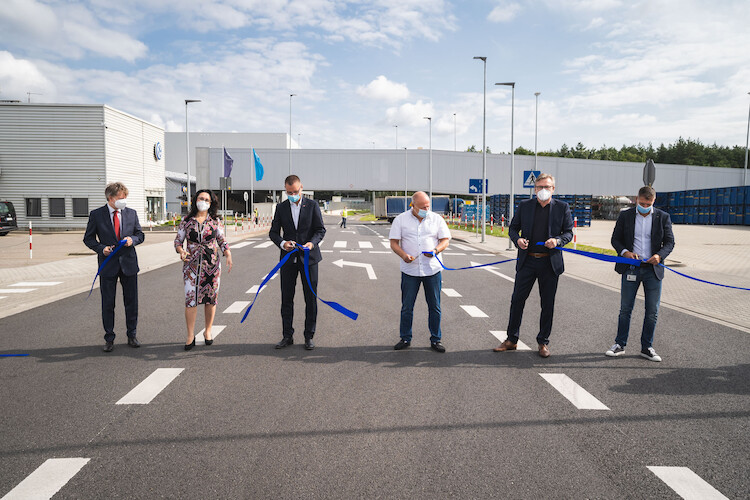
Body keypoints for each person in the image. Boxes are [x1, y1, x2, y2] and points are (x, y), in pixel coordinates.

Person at [493, 174, 573, 358]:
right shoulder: (525, 206)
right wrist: (518, 239)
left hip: (549, 262)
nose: (543, 190)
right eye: (539, 187)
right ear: (534, 189)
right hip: (527, 261)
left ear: (553, 188)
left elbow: (569, 232)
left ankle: (543, 342)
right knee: (517, 300)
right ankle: (511, 339)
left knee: (547, 304)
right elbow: (513, 228)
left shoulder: (562, 207)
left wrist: (558, 240)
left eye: (547, 186)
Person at [606, 186, 675, 362]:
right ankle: (619, 344)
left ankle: (647, 347)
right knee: (625, 309)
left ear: (654, 201)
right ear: (637, 199)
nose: (644, 206)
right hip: (631, 267)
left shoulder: (662, 217)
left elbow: (670, 242)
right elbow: (615, 239)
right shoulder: (625, 215)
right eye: (642, 203)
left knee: (652, 311)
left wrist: (659, 255)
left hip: (652, 270)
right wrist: (625, 253)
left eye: (648, 204)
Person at [84, 182, 145, 352]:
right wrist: (101, 249)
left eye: (125, 197)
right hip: (107, 264)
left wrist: (133, 240)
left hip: (129, 264)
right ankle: (109, 337)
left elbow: (140, 234)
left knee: (131, 302)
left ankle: (132, 334)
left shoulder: (131, 213)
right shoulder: (96, 215)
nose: (124, 200)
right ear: (111, 198)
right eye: (121, 198)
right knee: (108, 303)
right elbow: (88, 239)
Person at [269, 175, 326, 350]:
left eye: (295, 191)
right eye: (289, 192)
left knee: (310, 299)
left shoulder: (313, 206)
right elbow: (273, 232)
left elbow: (320, 230)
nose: (293, 195)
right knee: (287, 298)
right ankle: (287, 336)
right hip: (288, 259)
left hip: (309, 259)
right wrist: (282, 243)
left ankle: (309, 336)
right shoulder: (281, 207)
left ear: (302, 188)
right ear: (285, 190)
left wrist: (312, 243)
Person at [389, 191, 451, 352]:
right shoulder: (401, 220)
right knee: (407, 307)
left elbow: (445, 240)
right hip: (410, 271)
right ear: (413, 205)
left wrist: (436, 250)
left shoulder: (436, 219)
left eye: (428, 206)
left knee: (435, 307)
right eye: (423, 206)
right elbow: (394, 243)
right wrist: (403, 255)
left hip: (432, 270)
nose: (426, 209)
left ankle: (436, 339)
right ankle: (405, 338)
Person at [174, 190, 233, 351]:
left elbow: (221, 240)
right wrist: (181, 251)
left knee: (210, 299)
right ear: (195, 200)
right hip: (191, 266)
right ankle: (190, 335)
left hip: (211, 265)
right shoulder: (186, 221)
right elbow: (178, 241)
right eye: (201, 198)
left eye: (207, 199)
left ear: (211, 203)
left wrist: (227, 253)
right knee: (190, 299)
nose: (204, 201)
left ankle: (208, 331)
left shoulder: (215, 221)